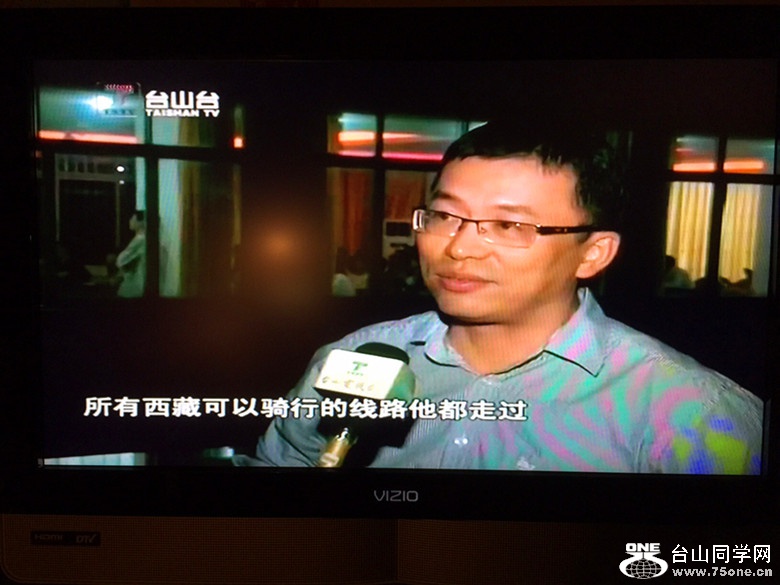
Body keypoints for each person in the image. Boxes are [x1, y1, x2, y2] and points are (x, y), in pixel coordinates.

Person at [236, 121, 763, 474]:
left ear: (592, 253)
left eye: (509, 225)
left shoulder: (689, 410)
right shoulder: (353, 359)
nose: (458, 247)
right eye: (444, 215)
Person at [116, 211, 146, 298]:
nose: (130, 221)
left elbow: (121, 260)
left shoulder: (140, 239)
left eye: (133, 219)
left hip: (134, 285)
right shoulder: (144, 239)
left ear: (141, 222)